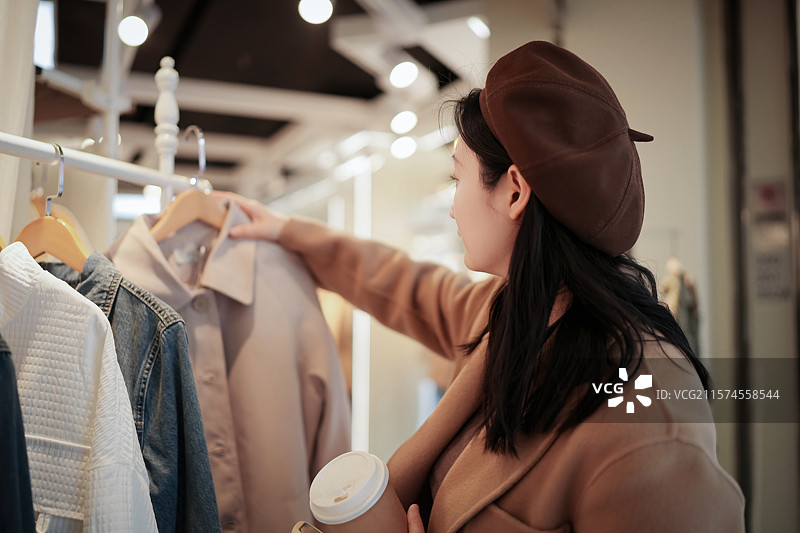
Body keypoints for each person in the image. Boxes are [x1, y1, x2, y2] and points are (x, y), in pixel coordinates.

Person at [217, 41, 745, 532]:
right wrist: (289, 234)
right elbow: (409, 286)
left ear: (514, 192)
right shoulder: (517, 312)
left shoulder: (646, 418)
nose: (452, 206)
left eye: (457, 177)